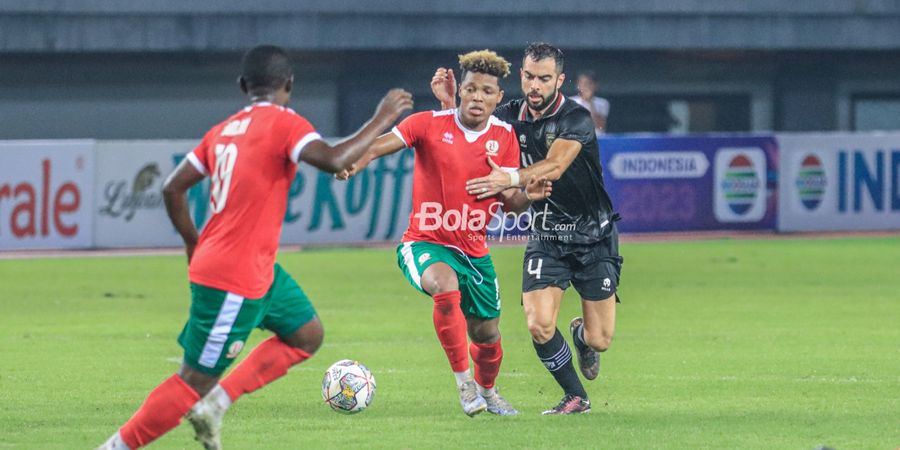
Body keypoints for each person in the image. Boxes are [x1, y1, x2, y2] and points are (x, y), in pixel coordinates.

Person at [97, 45, 412, 450]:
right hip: (235, 278)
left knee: (306, 335)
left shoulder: (223, 129)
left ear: (244, 86)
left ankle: (218, 403)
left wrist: (195, 244)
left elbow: (172, 187)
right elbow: (334, 160)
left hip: (254, 268)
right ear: (290, 86)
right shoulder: (284, 123)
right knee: (191, 382)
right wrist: (384, 116)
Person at [342, 49, 551, 417]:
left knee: (488, 335)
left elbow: (511, 204)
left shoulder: (504, 137)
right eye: (471, 89)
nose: (477, 97)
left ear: (498, 98)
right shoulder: (428, 124)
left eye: (487, 91)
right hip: (425, 242)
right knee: (445, 285)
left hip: (474, 251)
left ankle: (488, 392)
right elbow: (378, 147)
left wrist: (528, 197)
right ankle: (464, 384)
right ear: (461, 91)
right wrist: (353, 163)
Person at [432, 42, 622, 415]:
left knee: (601, 339)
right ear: (521, 76)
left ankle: (581, 337)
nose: (535, 86)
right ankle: (576, 396)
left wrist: (511, 177)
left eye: (544, 79)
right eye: (530, 77)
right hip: (547, 233)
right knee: (538, 324)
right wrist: (447, 105)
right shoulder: (506, 116)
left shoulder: (576, 119)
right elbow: (466, 130)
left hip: (593, 235)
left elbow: (553, 166)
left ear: (560, 80)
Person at [569, 71, 609, 137]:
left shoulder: (603, 103)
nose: (586, 87)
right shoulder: (570, 101)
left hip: (597, 139)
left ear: (595, 86)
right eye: (582, 84)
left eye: (589, 83)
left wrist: (590, 103)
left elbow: (600, 127)